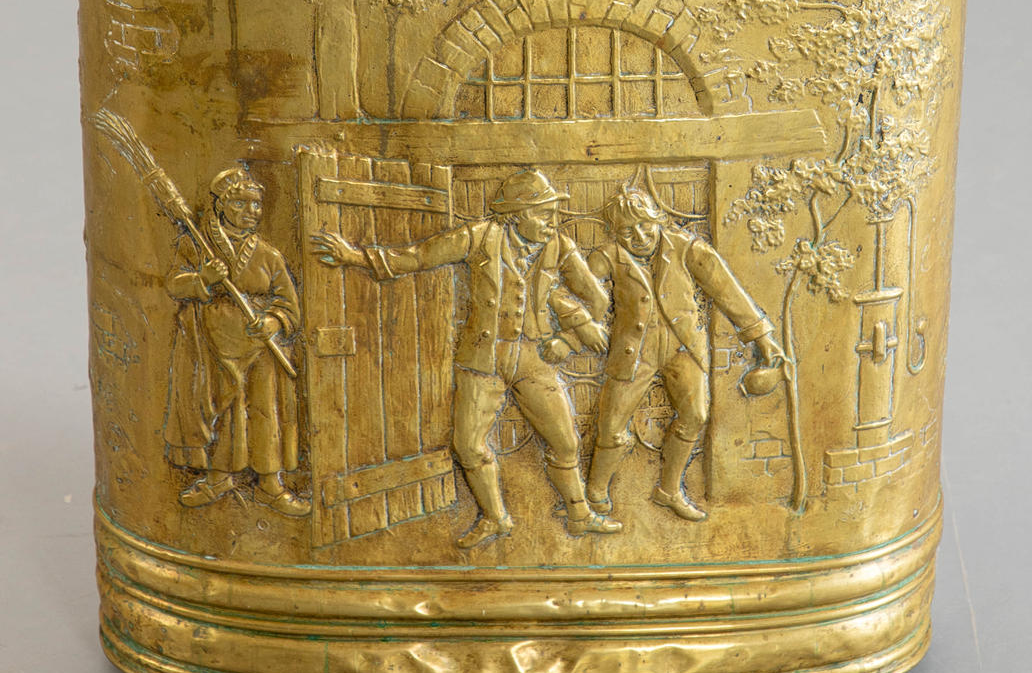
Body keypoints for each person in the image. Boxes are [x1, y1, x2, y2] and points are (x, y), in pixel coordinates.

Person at [313, 169, 620, 548]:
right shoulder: (479, 236)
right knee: (468, 445)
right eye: (544, 214)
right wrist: (355, 256)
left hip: (533, 356)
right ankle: (495, 518)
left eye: (554, 214)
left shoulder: (560, 246)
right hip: (483, 358)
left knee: (566, 441)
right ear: (516, 215)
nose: (552, 222)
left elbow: (599, 300)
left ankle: (579, 514)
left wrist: (568, 341)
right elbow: (420, 256)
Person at [586, 181, 783, 524]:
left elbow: (726, 290)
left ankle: (669, 490)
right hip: (633, 352)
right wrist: (579, 325)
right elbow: (574, 292)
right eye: (627, 231)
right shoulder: (606, 257)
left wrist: (761, 335)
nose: (639, 236)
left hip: (683, 347)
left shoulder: (686, 247)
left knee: (695, 415)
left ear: (657, 219)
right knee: (611, 426)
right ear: (614, 232)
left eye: (644, 225)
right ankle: (594, 494)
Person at [165, 166, 308, 516]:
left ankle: (270, 486)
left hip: (258, 350)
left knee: (264, 413)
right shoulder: (196, 244)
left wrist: (273, 321)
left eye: (256, 205)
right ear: (221, 206)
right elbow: (173, 285)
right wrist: (203, 278)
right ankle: (219, 478)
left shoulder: (269, 255)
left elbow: (288, 304)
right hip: (210, 346)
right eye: (241, 203)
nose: (251, 211)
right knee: (224, 413)